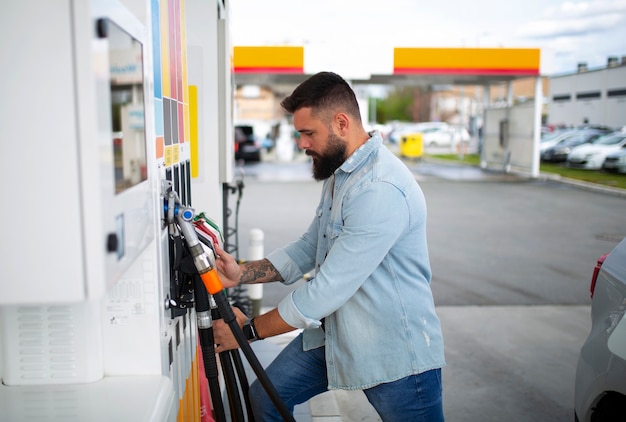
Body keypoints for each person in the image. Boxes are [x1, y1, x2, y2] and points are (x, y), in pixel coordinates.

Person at [213, 71, 445, 421]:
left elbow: (326, 290)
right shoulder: (341, 175)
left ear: (340, 123)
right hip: (338, 336)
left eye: (308, 133)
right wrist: (240, 273)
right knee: (266, 398)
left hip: (395, 352)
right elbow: (310, 246)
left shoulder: (379, 188)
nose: (302, 144)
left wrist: (246, 332)